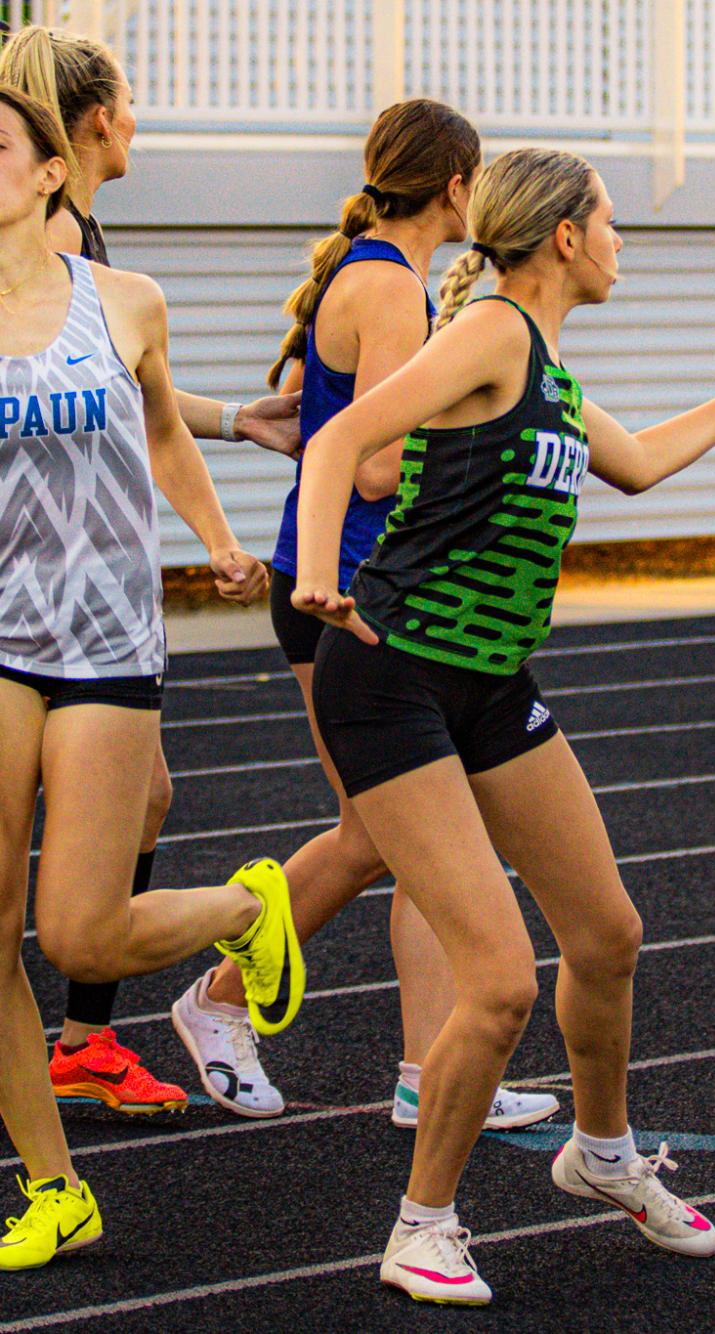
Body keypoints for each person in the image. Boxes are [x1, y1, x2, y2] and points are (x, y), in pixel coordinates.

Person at [291, 146, 715, 1304]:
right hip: (390, 675)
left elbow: (639, 465)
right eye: (611, 220)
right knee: (498, 981)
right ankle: (420, 1224)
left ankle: (601, 1152)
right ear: (565, 239)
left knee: (608, 932)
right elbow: (339, 441)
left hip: (490, 681)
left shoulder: (550, 367)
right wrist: (313, 576)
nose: (622, 238)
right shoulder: (492, 329)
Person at [165, 97, 556, 1134]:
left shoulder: (368, 271)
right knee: (380, 838)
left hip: (349, 581)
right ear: (460, 187)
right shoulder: (390, 286)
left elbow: (304, 403)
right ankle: (216, 998)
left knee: (413, 844)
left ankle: (427, 1070)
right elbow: (377, 458)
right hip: (349, 592)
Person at [0, 85, 301, 1272]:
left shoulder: (124, 302)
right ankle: (55, 1184)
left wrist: (219, 537)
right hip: (0, 637)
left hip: (106, 641)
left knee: (77, 925)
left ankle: (245, 906)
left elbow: (164, 428)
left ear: (44, 176)